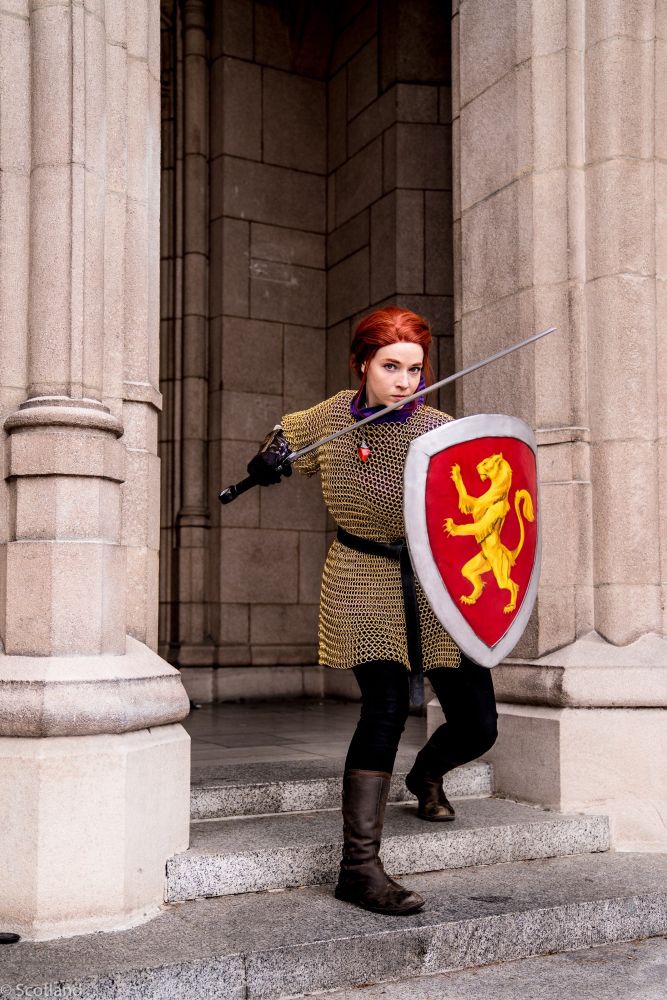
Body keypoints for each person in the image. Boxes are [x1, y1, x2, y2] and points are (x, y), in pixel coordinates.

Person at [246, 306, 498, 916]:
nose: (406, 380)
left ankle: (425, 775)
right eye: (391, 367)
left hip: (437, 579)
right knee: (385, 707)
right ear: (362, 364)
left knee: (478, 724)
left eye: (415, 368)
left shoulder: (442, 430)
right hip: (363, 575)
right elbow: (282, 445)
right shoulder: (330, 419)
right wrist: (269, 460)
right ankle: (358, 868)